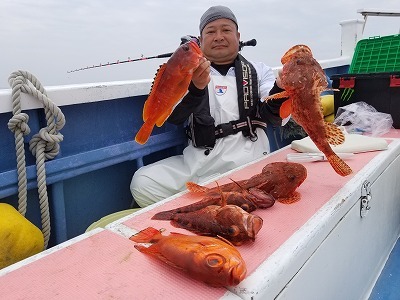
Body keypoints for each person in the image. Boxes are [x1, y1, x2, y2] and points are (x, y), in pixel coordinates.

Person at [130, 5, 285, 208]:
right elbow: (174, 118)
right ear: (200, 40)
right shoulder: (185, 71)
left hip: (248, 162)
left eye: (226, 30)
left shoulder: (259, 70)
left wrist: (281, 89)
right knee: (142, 182)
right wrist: (195, 88)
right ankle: (225, 205)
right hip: (199, 165)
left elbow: (274, 115)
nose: (219, 37)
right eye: (211, 32)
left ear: (238, 36)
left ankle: (208, 207)